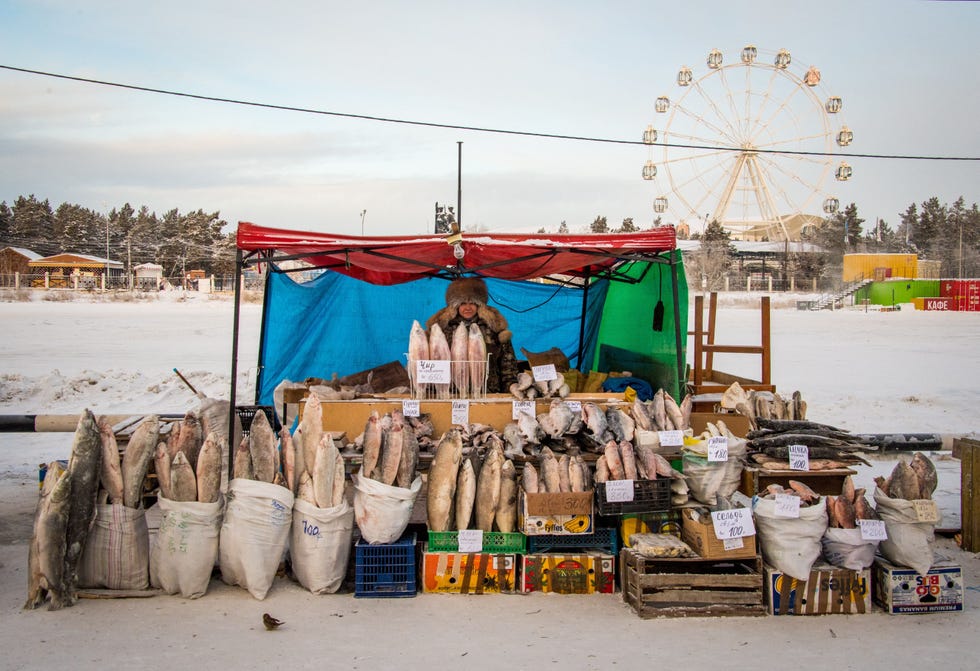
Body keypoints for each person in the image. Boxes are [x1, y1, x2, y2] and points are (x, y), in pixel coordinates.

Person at [426, 277, 519, 394]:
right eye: (463, 303)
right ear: (455, 306)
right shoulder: (441, 330)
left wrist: (511, 388)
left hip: (488, 393)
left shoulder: (495, 329)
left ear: (480, 305)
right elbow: (429, 363)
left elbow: (508, 364)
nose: (468, 308)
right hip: (451, 394)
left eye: (473, 303)